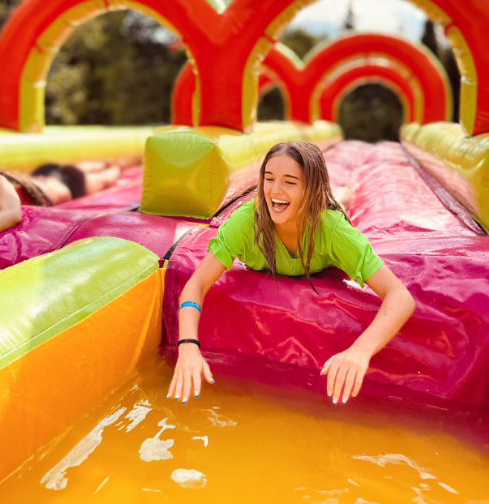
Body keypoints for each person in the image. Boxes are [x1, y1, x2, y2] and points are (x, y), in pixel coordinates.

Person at [167, 141, 415, 406]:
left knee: (340, 203)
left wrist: (360, 351)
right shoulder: (246, 222)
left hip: (322, 235)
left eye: (290, 182)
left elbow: (400, 296)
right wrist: (188, 346)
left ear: (311, 188)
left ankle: (343, 196)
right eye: (269, 178)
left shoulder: (332, 231)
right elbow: (197, 285)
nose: (275, 190)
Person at [0, 154, 121, 284]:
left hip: (64, 185)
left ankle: (115, 164)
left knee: (106, 176)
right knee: (77, 167)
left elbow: (12, 214)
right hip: (38, 177)